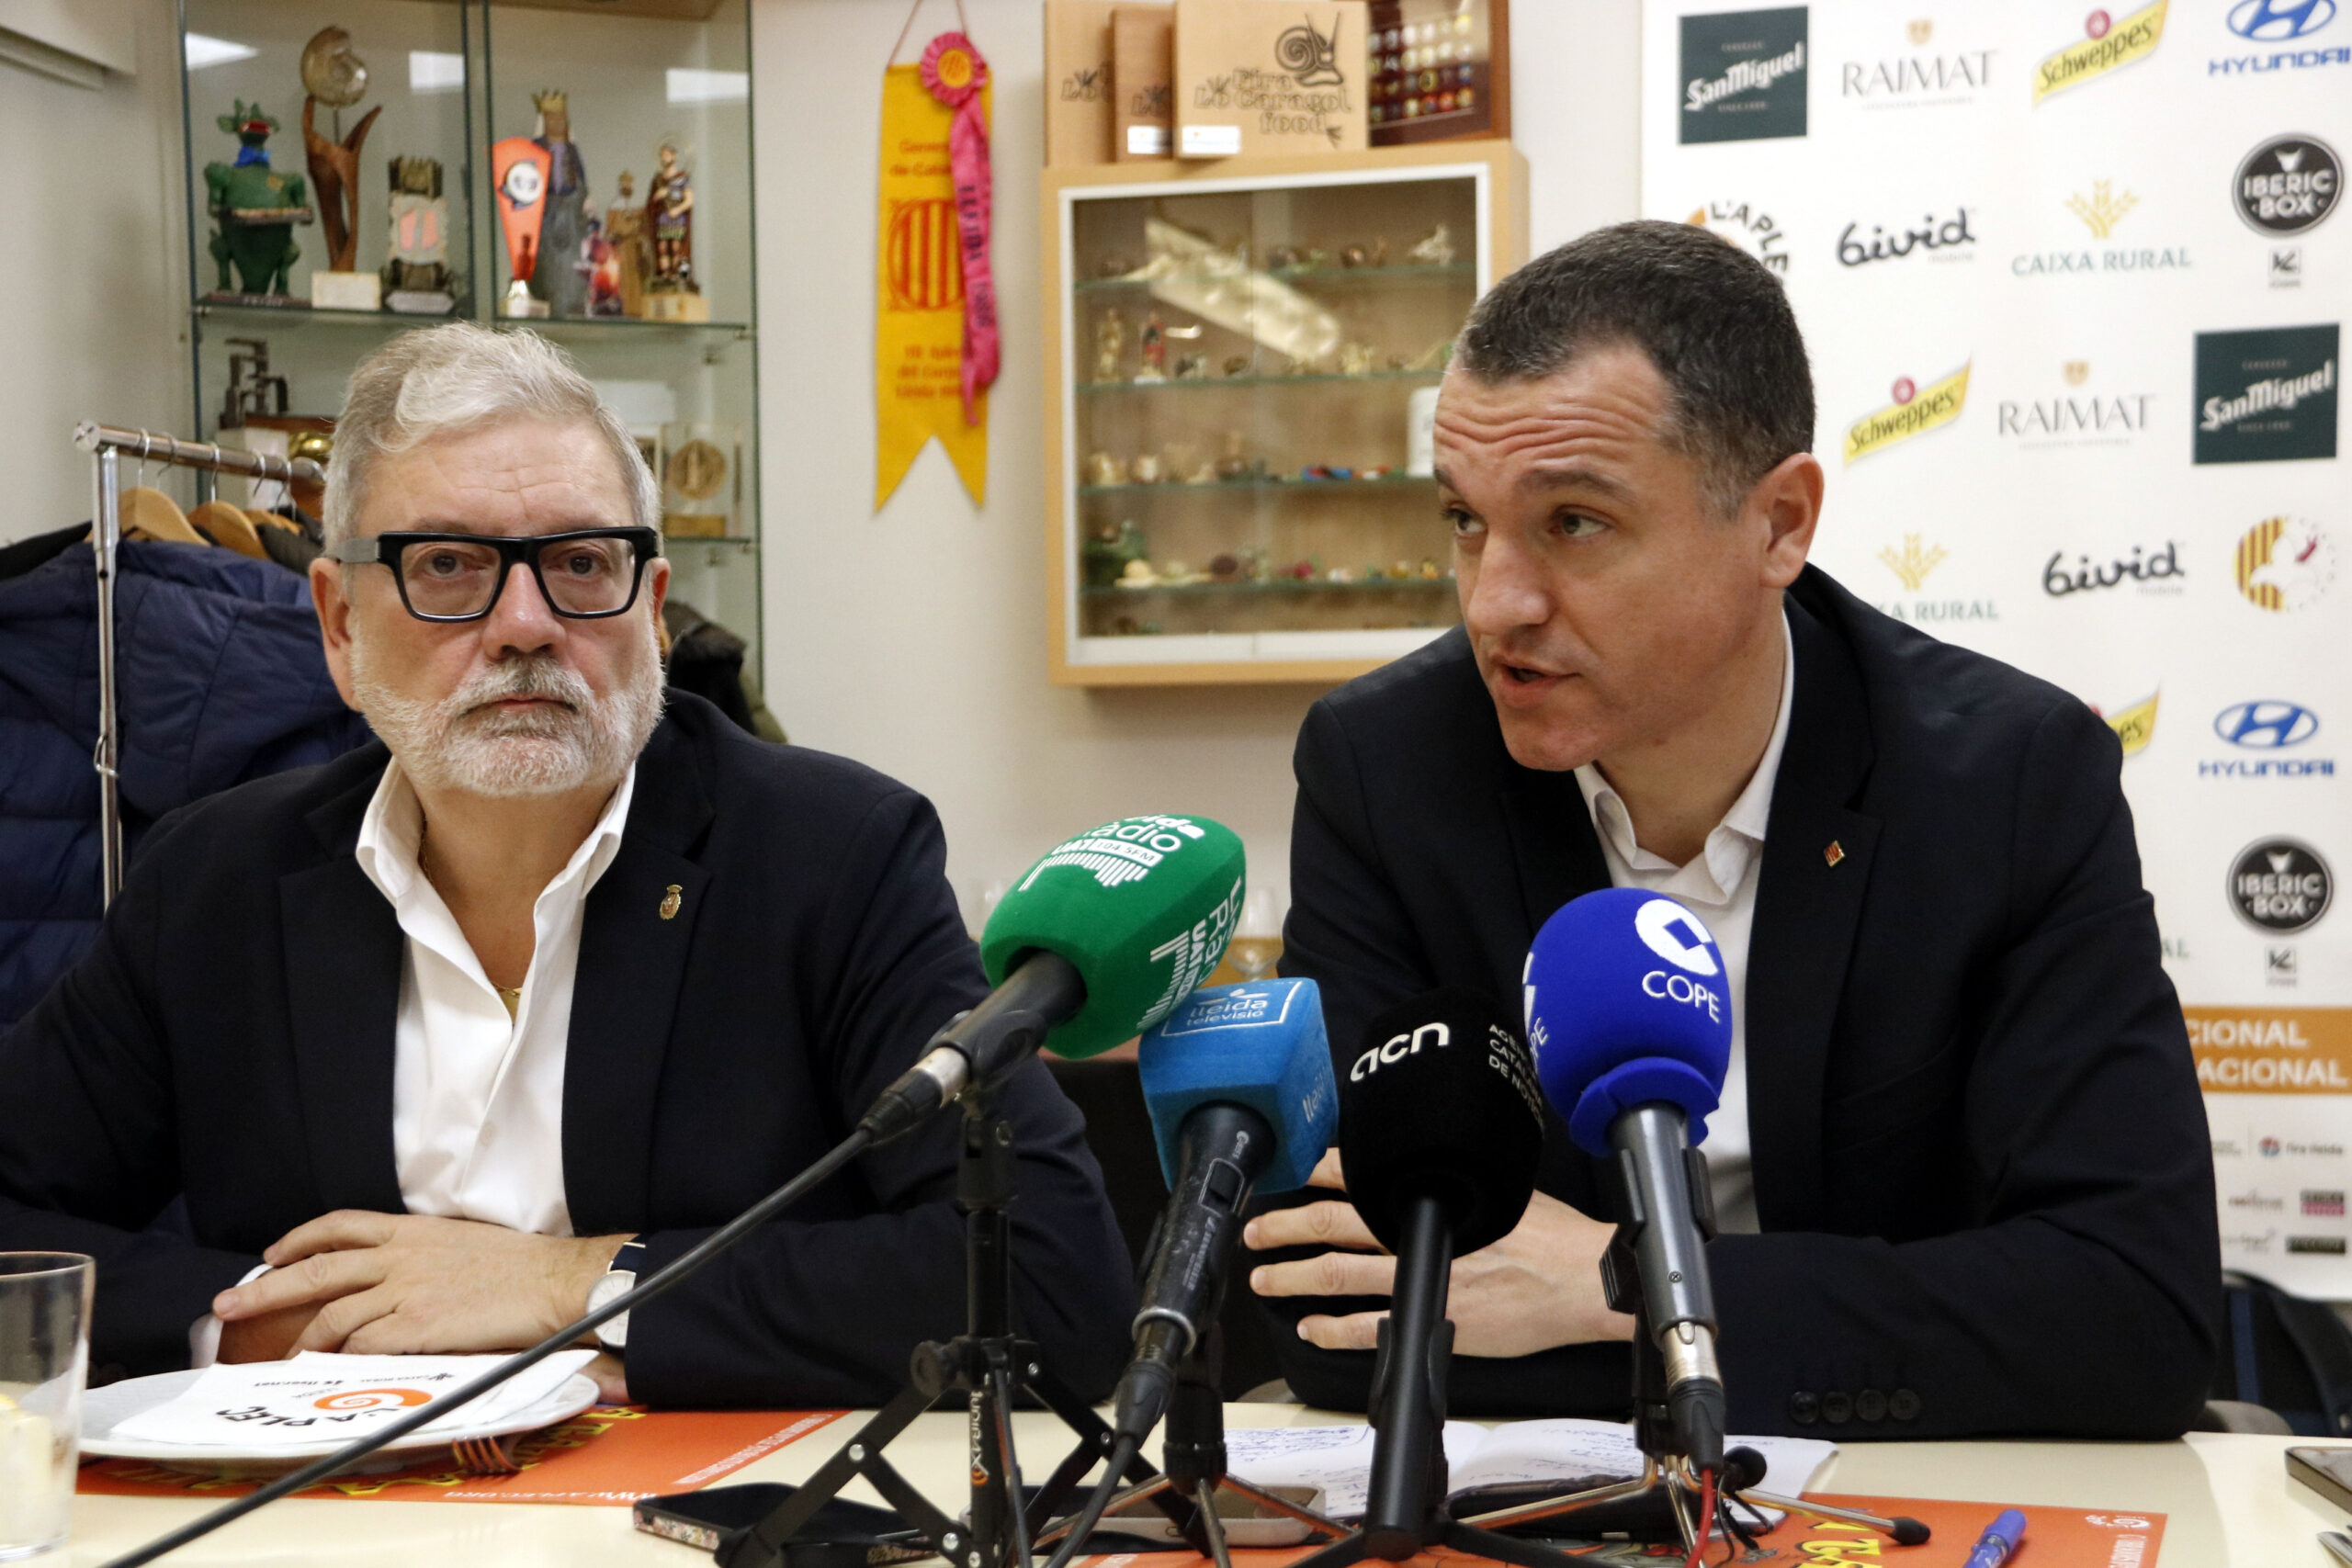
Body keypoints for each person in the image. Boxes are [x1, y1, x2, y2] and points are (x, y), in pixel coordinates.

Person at [0, 322, 1135, 1408]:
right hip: (321, 1501)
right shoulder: (216, 881)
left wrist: (572, 1284)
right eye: (448, 565)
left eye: (582, 564)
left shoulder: (832, 856)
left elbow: (1050, 1281)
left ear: (651, 610)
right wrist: (271, 1319)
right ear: (340, 625)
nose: (526, 623)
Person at [1243, 222, 2219, 1439]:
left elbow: (2130, 1315)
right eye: (1463, 519)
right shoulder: (1386, 769)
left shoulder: (2009, 781)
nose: (1495, 602)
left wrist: (1624, 1287)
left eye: (1574, 523)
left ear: (1778, 524)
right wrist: (1834, 1322)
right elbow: (1329, 1310)